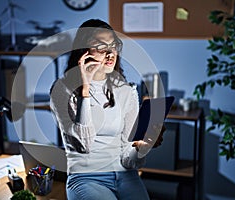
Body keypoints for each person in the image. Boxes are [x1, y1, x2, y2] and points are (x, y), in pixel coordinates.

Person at [50, 19, 164, 200]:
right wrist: (84, 89)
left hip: (125, 175)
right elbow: (83, 145)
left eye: (114, 46)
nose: (111, 54)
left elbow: (129, 159)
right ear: (83, 51)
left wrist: (142, 147)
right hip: (86, 178)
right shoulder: (62, 89)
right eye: (101, 47)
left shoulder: (126, 90)